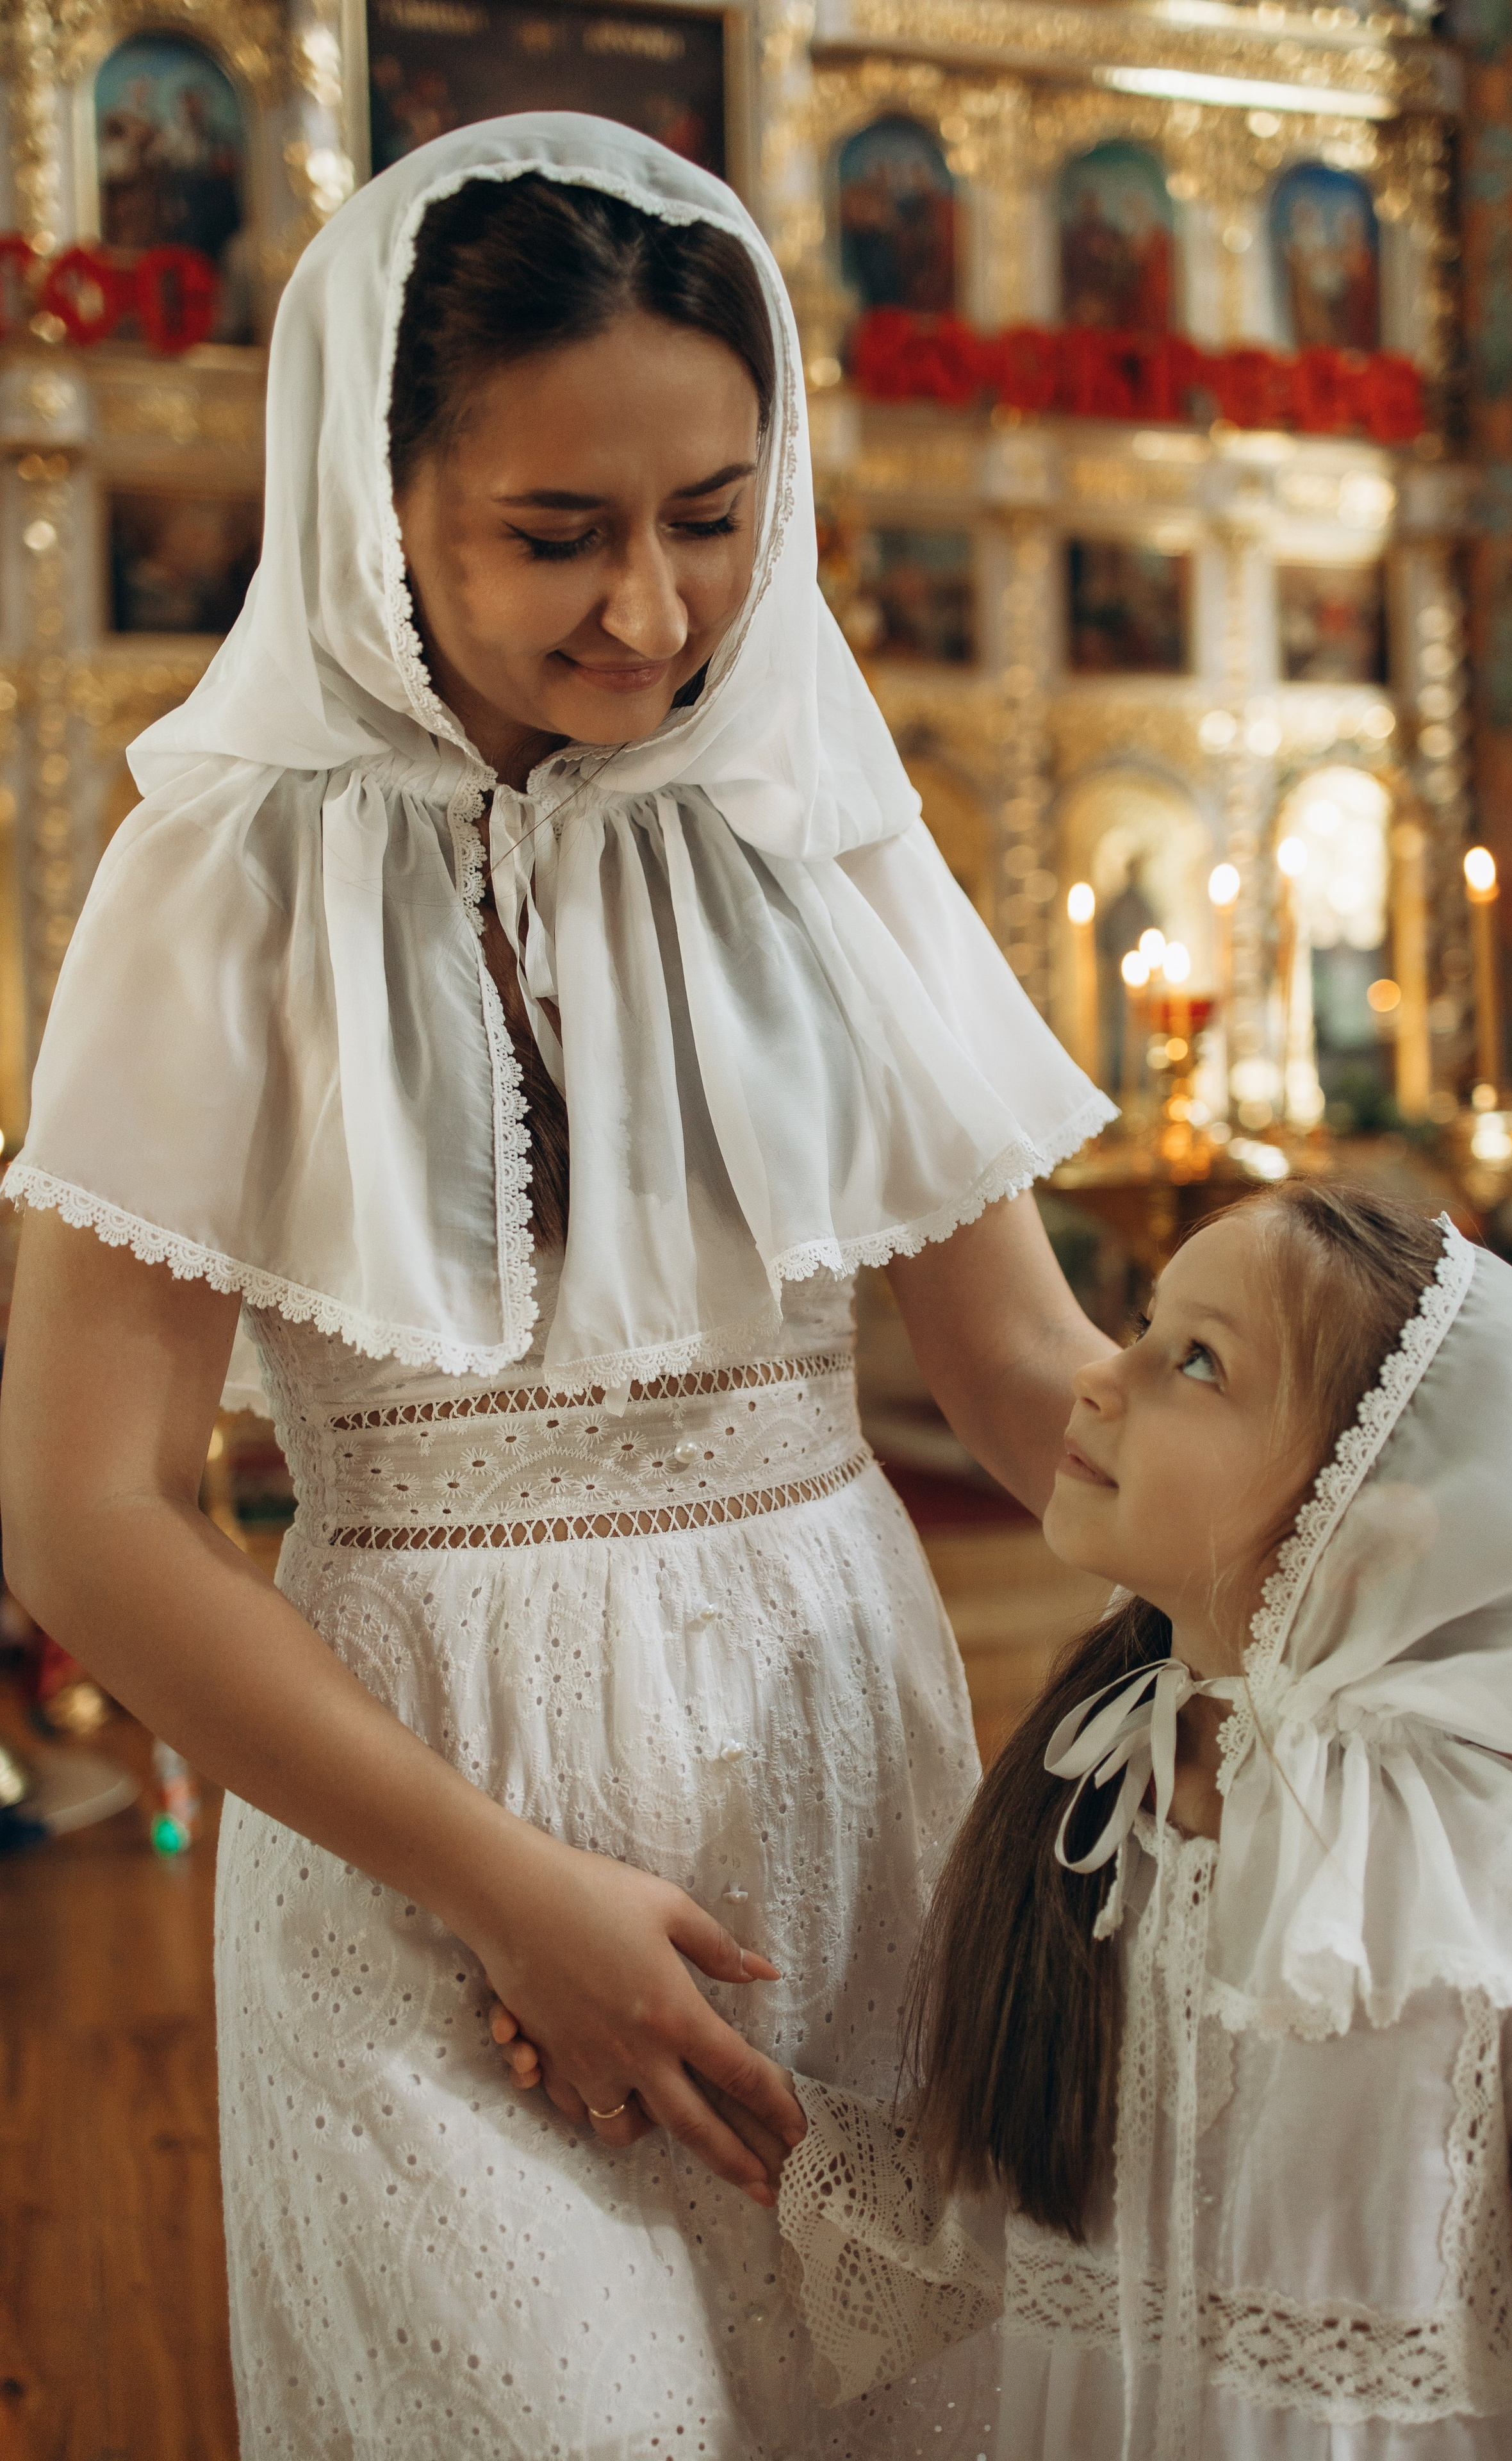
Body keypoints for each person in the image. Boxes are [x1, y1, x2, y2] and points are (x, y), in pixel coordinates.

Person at [0, 115, 1119, 2459]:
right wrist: (509, 1898)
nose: (654, 611)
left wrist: (1386, 1633)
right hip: (420, 1822)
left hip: (845, 1788)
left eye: (713, 520)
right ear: (373, 496)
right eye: (555, 536)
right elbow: (87, 1515)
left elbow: (1029, 1378)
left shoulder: (816, 820)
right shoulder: (221, 870)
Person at [762, 1186, 1512, 2458]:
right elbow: (1006, 2252)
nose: (1098, 1380)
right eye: (1139, 1324)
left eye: (1192, 1363)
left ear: (1373, 1533)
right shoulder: (1081, 1817)